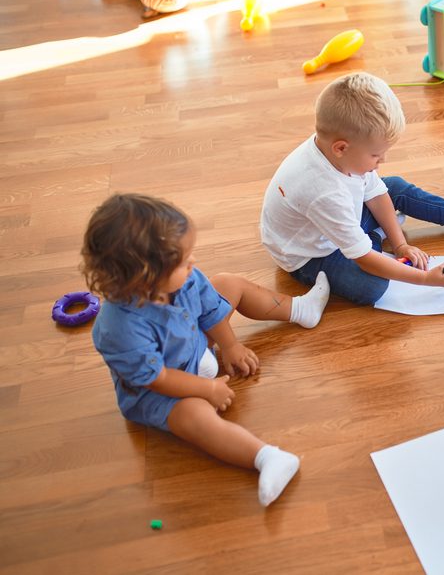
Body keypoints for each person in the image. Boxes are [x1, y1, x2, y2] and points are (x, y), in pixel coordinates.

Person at [83, 194, 328, 506]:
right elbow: (156, 378)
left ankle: (299, 309)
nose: (193, 263)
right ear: (144, 275)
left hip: (195, 347)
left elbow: (209, 312)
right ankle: (266, 458)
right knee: (194, 416)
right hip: (160, 392)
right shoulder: (119, 327)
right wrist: (207, 388)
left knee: (228, 283)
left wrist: (230, 344)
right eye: (183, 261)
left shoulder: (184, 280)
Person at [260, 72, 444, 305]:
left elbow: (377, 194)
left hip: (336, 221)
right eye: (377, 154)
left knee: (394, 187)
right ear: (341, 148)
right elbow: (365, 260)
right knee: (372, 287)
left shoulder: (339, 150)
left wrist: (400, 246)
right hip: (309, 254)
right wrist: (425, 279)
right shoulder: (325, 192)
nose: (383, 161)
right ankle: (374, 236)